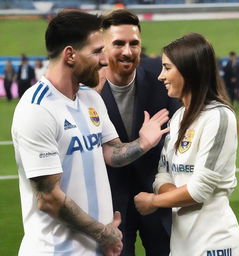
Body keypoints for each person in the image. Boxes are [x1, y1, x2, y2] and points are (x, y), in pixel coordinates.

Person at [11, 10, 170, 256]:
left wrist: (143, 143)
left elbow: (111, 151)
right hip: (57, 250)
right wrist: (102, 233)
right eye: (97, 52)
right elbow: (48, 198)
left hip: (97, 248)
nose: (104, 60)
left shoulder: (90, 98)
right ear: (70, 55)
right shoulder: (37, 109)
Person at [134, 33, 239, 256]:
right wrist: (180, 196)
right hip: (181, 244)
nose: (160, 76)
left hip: (215, 244)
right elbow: (162, 177)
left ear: (188, 70)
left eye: (167, 68)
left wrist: (155, 201)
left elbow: (200, 189)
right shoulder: (178, 118)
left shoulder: (219, 117)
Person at [98, 9, 181, 256]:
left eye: (134, 43)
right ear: (102, 48)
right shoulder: (88, 92)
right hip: (111, 207)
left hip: (157, 199)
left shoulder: (162, 79)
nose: (127, 51)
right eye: (118, 43)